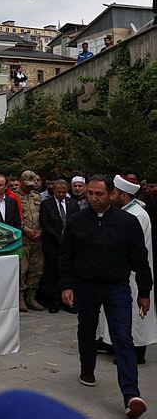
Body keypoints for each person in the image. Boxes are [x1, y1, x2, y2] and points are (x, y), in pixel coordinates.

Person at [60, 176, 151, 418]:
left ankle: (131, 395)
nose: (93, 198)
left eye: (99, 194)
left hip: (117, 287)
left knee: (122, 337)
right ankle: (87, 369)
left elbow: (140, 258)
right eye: (89, 193)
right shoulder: (77, 221)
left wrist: (144, 291)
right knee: (86, 330)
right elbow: (66, 255)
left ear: (110, 194)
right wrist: (66, 286)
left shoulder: (127, 222)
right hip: (86, 286)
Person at [96, 176, 157, 365]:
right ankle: (112, 343)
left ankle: (137, 350)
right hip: (120, 270)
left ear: (123, 195)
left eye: (112, 192)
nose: (110, 195)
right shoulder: (126, 211)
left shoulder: (137, 215)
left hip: (133, 272)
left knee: (135, 312)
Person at [39, 179, 78, 313]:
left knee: (68, 272)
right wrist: (57, 238)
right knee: (52, 272)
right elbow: (45, 223)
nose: (61, 194)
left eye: (63, 192)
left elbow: (76, 222)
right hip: (52, 244)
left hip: (69, 244)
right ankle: (54, 301)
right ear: (54, 191)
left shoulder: (73, 204)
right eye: (58, 192)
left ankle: (69, 302)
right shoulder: (46, 204)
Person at [17, 170, 44, 312]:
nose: (29, 187)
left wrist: (41, 230)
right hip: (23, 239)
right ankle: (20, 297)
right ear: (21, 181)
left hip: (37, 239)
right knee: (22, 269)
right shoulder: (15, 196)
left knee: (37, 269)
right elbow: (16, 218)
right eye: (26, 184)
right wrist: (26, 230)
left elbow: (43, 215)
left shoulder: (37, 196)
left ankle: (31, 297)